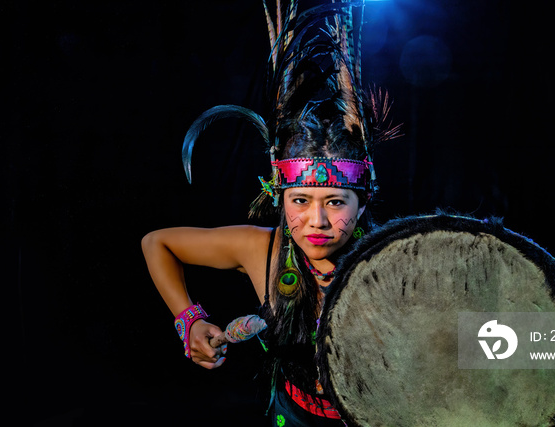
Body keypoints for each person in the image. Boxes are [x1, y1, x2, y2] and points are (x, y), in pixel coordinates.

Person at [142, 1, 400, 425]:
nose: (316, 221)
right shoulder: (262, 250)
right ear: (278, 197)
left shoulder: (396, 263)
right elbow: (157, 243)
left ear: (363, 199)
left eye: (336, 202)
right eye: (300, 201)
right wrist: (189, 322)